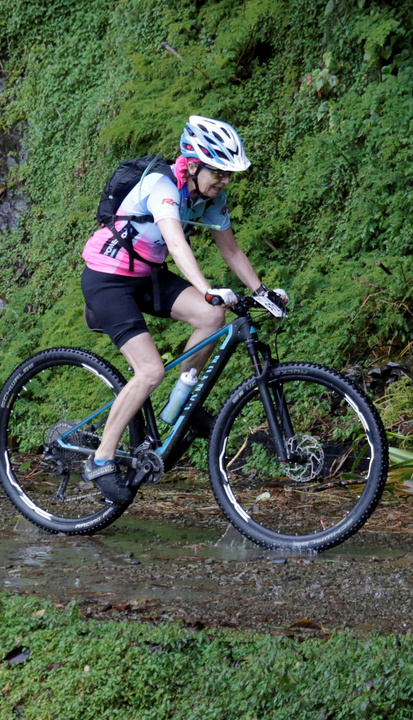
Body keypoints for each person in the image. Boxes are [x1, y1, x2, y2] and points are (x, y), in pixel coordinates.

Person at [79, 115, 285, 504]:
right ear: (191, 165)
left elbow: (231, 249)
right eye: (218, 173)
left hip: (146, 275)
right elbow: (175, 243)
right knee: (150, 370)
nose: (225, 181)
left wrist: (261, 292)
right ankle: (100, 459)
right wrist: (207, 289)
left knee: (212, 317)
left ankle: (182, 405)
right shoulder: (162, 186)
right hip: (108, 279)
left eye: (228, 174)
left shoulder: (210, 197)